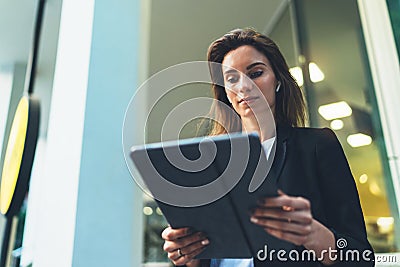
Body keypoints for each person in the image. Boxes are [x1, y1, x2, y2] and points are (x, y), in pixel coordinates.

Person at [161, 28, 374, 267]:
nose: (243, 86)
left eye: (256, 73)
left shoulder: (316, 146)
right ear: (225, 94)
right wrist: (187, 256)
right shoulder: (208, 160)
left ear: (278, 79)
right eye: (231, 79)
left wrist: (312, 234)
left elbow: (360, 256)